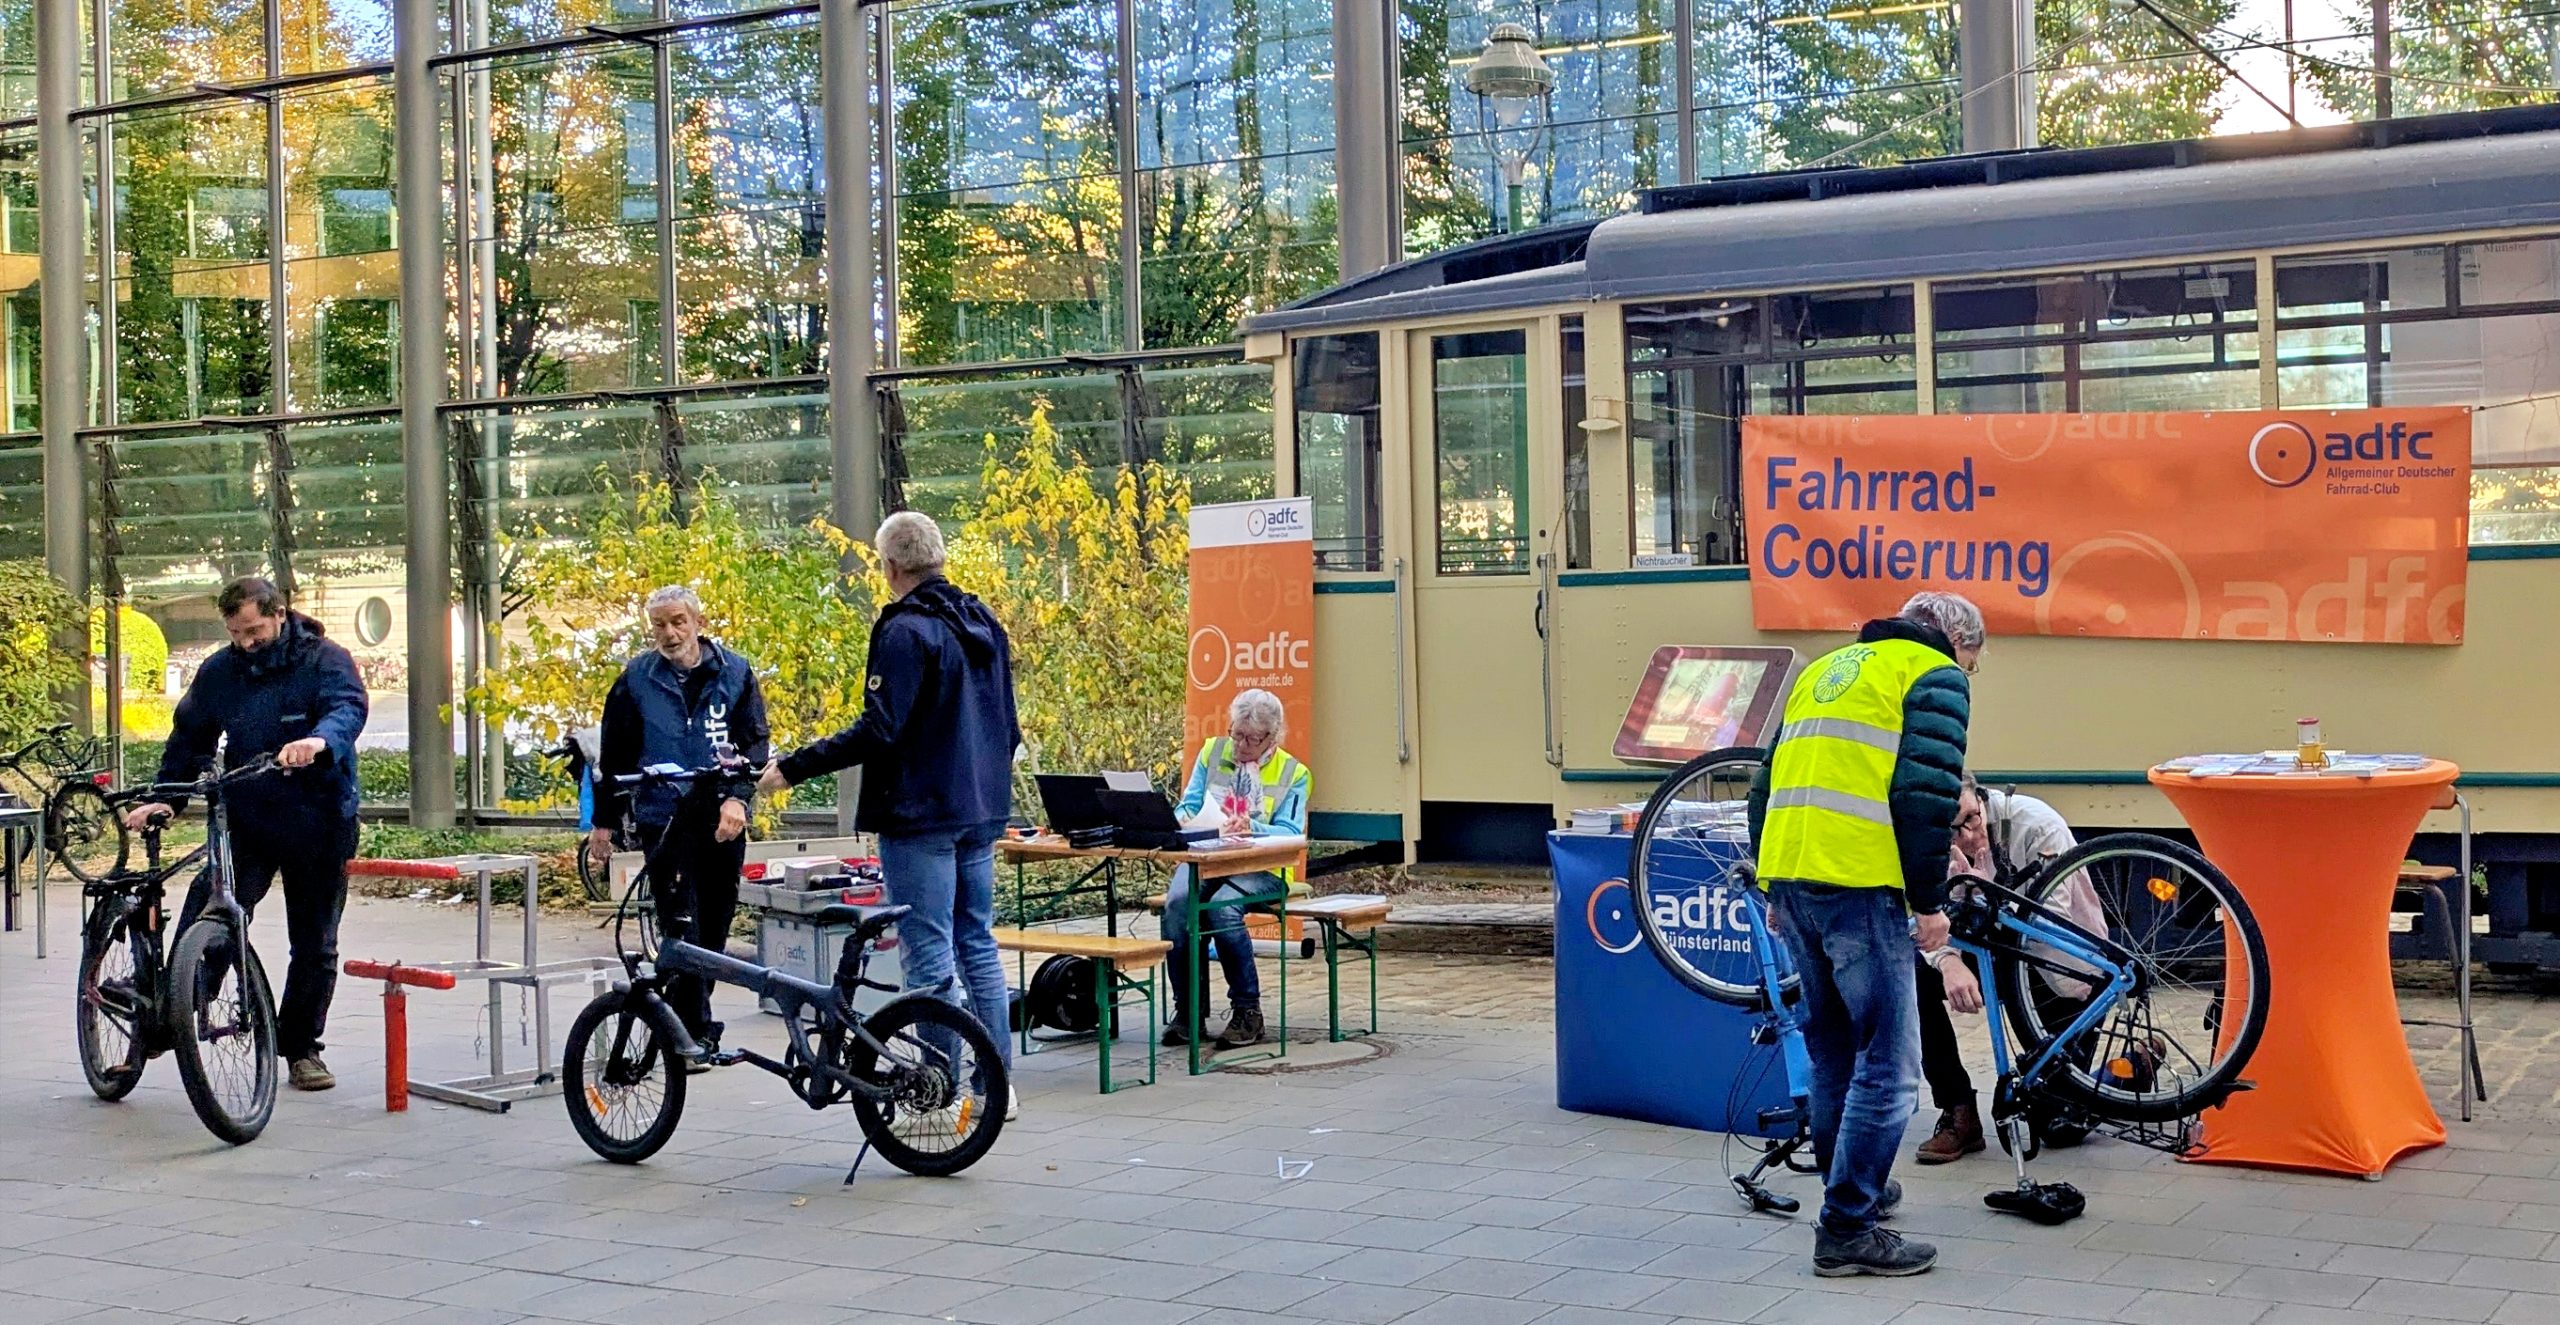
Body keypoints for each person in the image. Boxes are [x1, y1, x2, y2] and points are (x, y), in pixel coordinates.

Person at [1748, 591, 1981, 1278]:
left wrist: (1770, 881)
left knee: (1832, 1055)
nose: (1968, 675)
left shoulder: (1826, 667)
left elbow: (1765, 784)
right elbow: (1925, 798)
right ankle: (1848, 1226)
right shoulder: (1930, 676)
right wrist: (1929, 904)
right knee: (1889, 1063)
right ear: (1955, 639)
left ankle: (1857, 1188)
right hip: (1858, 882)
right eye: (1973, 661)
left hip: (1793, 875)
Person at [760, 510, 1022, 1118]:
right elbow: (1007, 725)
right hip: (980, 810)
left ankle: (940, 1085)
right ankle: (996, 1087)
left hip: (921, 815)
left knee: (929, 953)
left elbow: (881, 728)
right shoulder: (982, 621)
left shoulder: (906, 631)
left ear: (891, 566)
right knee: (976, 944)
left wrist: (793, 767)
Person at [125, 576, 369, 1092]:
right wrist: (165, 798)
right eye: (236, 633)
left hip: (320, 816)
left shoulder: (326, 659)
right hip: (250, 816)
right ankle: (184, 1007)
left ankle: (300, 1048)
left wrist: (318, 741)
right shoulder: (221, 670)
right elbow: (191, 736)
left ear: (280, 613)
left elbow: (347, 709)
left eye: (254, 630)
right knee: (210, 909)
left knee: (315, 942)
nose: (245, 642)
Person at [591, 585, 770, 1069]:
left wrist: (739, 797)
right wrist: (603, 825)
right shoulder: (636, 678)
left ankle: (691, 1025)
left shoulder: (735, 672)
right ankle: (692, 1034)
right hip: (664, 820)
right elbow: (615, 753)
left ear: (698, 622)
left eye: (677, 622)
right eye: (659, 626)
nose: (669, 634)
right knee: (680, 925)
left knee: (714, 927)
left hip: (720, 820)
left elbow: (755, 744)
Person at [1913, 774, 2095, 1164]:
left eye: (1970, 820)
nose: (1963, 836)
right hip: (1987, 949)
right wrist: (1948, 963)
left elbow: (2054, 921)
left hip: (2052, 962)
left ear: (1982, 800)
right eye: (1950, 829)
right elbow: (1920, 920)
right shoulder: (1927, 842)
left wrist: (1988, 895)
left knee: (2058, 1127)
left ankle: (2129, 1069)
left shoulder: (2037, 824)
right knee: (1914, 979)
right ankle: (1957, 1112)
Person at [1161, 689, 1311, 1051]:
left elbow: (1292, 835)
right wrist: (1181, 820)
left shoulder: (1296, 773)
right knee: (1178, 906)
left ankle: (1248, 1011)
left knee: (1223, 908)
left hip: (1265, 867)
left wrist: (1252, 827)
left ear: (1272, 737)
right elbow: (1190, 805)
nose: (1241, 745)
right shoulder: (1213, 751)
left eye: (1252, 738)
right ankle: (1188, 1013)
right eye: (1237, 734)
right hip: (1207, 857)